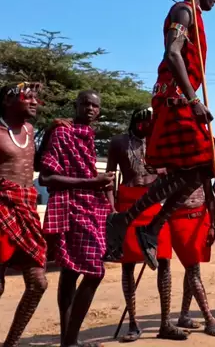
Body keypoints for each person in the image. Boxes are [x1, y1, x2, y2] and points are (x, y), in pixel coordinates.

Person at [105, 0, 215, 269]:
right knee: (206, 161)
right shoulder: (183, 10)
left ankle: (143, 225)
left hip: (181, 100)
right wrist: (192, 98)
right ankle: (136, 223)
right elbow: (172, 54)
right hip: (175, 100)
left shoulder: (195, 16)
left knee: (200, 170)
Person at [39, 90, 114, 347]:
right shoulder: (62, 133)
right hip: (70, 207)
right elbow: (46, 179)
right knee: (94, 272)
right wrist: (92, 182)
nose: (90, 108)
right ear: (77, 105)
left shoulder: (88, 136)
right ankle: (69, 341)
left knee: (71, 272)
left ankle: (67, 341)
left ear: (99, 111)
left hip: (89, 207)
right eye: (85, 104)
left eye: (95, 105)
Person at [106, 108, 187, 341]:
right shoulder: (118, 142)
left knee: (164, 260)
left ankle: (165, 324)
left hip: (153, 205)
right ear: (134, 119)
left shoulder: (160, 144)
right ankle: (133, 323)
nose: (145, 125)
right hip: (127, 204)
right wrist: (112, 209)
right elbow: (110, 177)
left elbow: (172, 174)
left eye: (149, 122)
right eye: (142, 120)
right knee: (128, 264)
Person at [0, 83, 48, 347]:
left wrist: (57, 129)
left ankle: (10, 344)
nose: (34, 102)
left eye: (35, 98)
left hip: (26, 211)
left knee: (38, 283)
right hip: (1, 211)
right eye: (27, 97)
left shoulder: (30, 130)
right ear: (7, 102)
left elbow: (39, 165)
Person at [169, 184, 215, 336]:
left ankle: (184, 315)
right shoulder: (173, 164)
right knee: (193, 268)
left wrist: (213, 225)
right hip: (179, 219)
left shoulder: (202, 163)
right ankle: (209, 319)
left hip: (200, 219)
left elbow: (209, 195)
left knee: (192, 267)